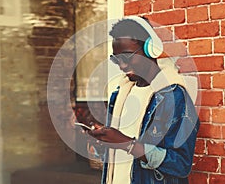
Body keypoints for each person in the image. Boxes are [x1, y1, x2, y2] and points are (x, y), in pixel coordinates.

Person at [79, 16, 200, 184]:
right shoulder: (120, 94)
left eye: (127, 56)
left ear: (152, 48)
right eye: (116, 59)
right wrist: (103, 143)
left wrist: (127, 144)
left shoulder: (174, 97)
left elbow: (181, 164)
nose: (122, 66)